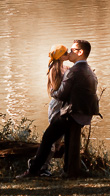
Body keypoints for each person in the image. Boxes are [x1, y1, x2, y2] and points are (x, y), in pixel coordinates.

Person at [21, 39, 100, 177]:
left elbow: (61, 95)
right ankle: (68, 171)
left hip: (72, 113)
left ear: (80, 52)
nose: (69, 52)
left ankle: (33, 171)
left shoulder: (74, 71)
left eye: (72, 50)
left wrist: (52, 92)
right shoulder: (88, 69)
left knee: (47, 138)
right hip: (84, 113)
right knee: (69, 140)